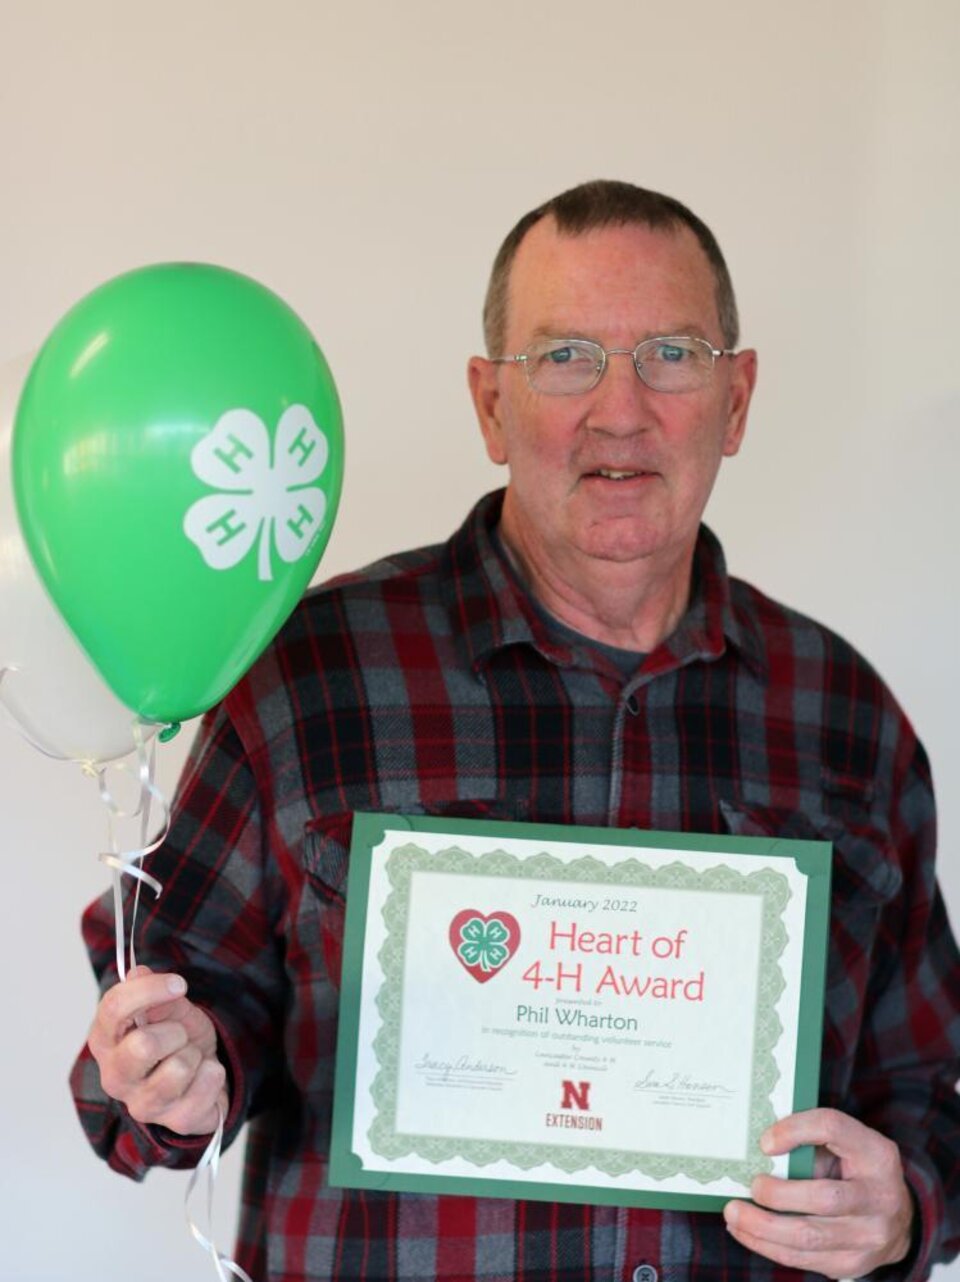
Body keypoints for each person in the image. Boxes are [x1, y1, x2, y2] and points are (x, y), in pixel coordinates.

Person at [73, 180, 960, 1281]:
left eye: (673, 354)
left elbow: (927, 1089)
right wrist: (171, 1072)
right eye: (566, 357)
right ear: (491, 404)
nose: (622, 409)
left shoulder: (846, 719)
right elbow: (146, 1056)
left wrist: (906, 1208)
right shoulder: (313, 677)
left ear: (738, 400)